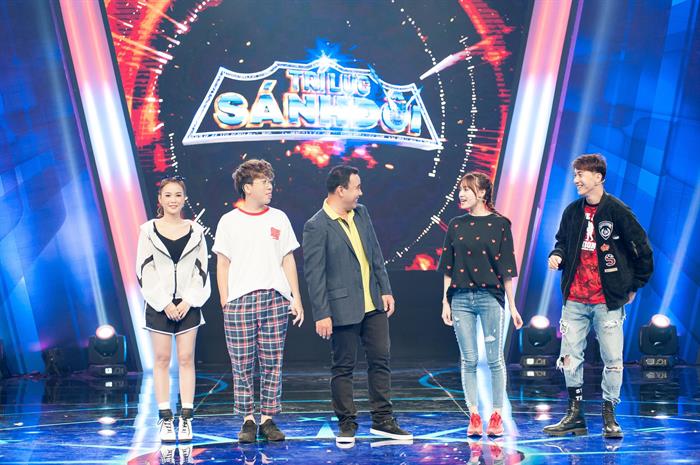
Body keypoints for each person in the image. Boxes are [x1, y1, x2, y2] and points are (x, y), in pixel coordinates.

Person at [543, 153, 653, 438]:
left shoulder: (618, 211)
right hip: (575, 298)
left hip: (607, 300)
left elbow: (642, 250)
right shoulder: (572, 211)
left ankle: (609, 415)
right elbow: (562, 242)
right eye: (575, 174)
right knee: (569, 357)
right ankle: (574, 415)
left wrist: (633, 286)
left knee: (613, 359)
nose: (576, 180)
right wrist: (557, 256)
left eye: (581, 174)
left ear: (598, 177)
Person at [302, 165, 412, 447]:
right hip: (342, 307)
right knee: (343, 367)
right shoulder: (317, 225)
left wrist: (385, 289)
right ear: (341, 190)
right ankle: (347, 423)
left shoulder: (361, 213)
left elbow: (375, 254)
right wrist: (322, 313)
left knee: (380, 360)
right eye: (357, 187)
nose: (360, 192)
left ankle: (383, 420)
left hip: (373, 303)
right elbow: (315, 274)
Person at [213, 159, 304, 443]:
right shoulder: (229, 221)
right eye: (264, 182)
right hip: (239, 301)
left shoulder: (279, 217)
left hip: (275, 298)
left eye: (270, 182)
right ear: (247, 187)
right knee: (241, 363)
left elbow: (287, 259)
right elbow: (222, 263)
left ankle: (267, 418)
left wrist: (295, 297)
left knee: (272, 361)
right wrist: (225, 300)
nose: (269, 187)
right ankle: (247, 419)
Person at [438, 171, 523, 437]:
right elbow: (448, 268)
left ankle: (496, 415)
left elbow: (507, 270)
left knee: (495, 359)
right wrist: (445, 301)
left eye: (467, 189)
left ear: (483, 193)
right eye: (461, 189)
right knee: (469, 359)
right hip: (460, 298)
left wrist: (513, 305)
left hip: (490, 297)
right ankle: (474, 415)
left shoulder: (501, 224)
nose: (461, 194)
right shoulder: (455, 225)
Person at [136, 175, 211, 443]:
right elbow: (144, 269)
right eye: (168, 195)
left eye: (178, 195)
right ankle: (165, 418)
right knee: (161, 359)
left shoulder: (196, 231)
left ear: (184, 198)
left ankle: (186, 419)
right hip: (159, 305)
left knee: (187, 358)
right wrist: (164, 302)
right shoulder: (148, 230)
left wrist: (188, 300)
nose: (173, 200)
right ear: (160, 199)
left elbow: (202, 270)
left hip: (188, 305)